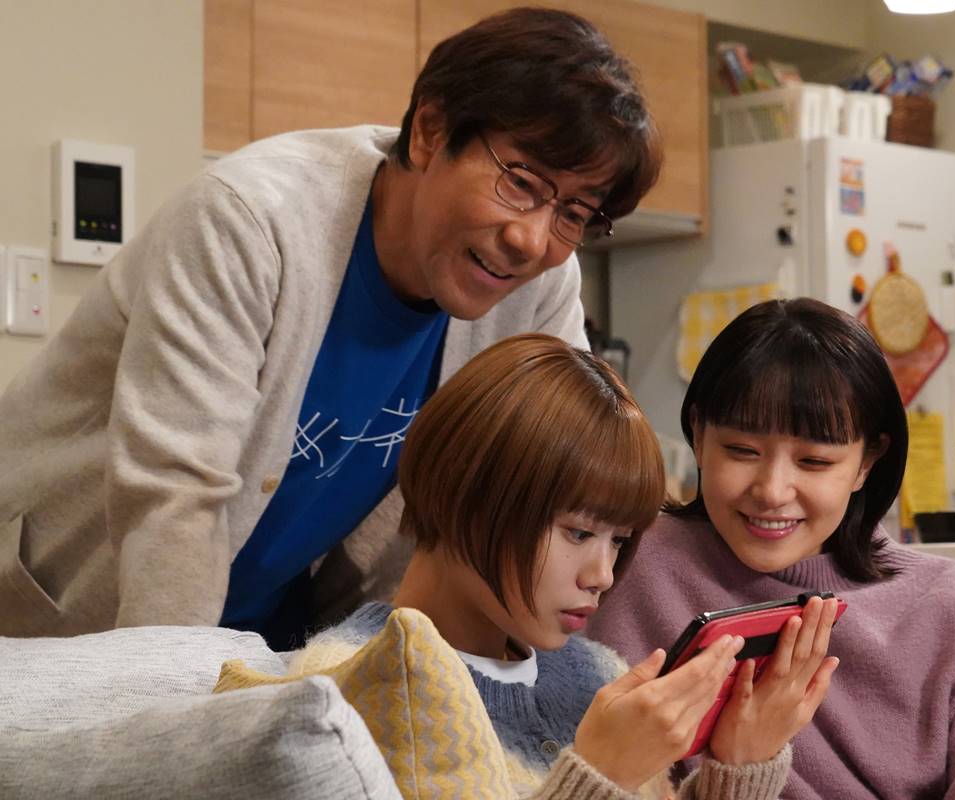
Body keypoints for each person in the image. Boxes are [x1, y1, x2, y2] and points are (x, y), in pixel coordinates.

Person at [0, 8, 661, 643]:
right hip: (75, 610)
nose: (532, 239)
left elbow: (570, 476)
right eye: (520, 182)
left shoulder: (541, 286)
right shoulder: (248, 221)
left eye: (575, 213)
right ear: (430, 132)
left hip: (265, 632)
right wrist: (179, 707)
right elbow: (174, 501)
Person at [295, 332, 841, 798]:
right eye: (578, 533)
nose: (602, 576)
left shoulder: (597, 671)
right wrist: (599, 776)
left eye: (619, 540)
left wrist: (740, 764)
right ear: (469, 495)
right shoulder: (345, 686)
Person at [588, 298, 955, 799]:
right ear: (699, 434)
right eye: (742, 451)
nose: (772, 491)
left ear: (867, 462)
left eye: (814, 461)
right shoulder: (622, 561)